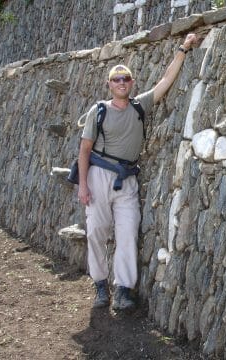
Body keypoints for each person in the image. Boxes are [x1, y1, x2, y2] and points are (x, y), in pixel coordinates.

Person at [77, 33, 198, 311]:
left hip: (128, 179)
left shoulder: (139, 105)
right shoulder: (99, 111)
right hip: (100, 175)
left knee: (128, 232)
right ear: (109, 84)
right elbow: (84, 150)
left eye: (126, 79)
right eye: (116, 79)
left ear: (132, 83)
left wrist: (183, 48)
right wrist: (83, 185)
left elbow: (165, 81)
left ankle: (122, 290)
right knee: (96, 231)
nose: (121, 82)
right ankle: (100, 286)